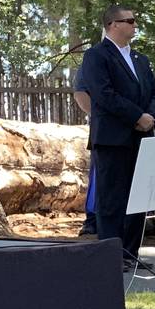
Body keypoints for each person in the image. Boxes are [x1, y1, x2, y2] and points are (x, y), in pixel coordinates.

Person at [81, 4, 155, 272]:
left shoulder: (140, 59)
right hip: (113, 138)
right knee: (112, 198)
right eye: (130, 21)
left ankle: (131, 252)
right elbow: (103, 95)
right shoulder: (96, 55)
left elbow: (154, 92)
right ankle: (112, 254)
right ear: (112, 25)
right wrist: (136, 116)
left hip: (141, 137)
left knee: (138, 198)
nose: (135, 25)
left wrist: (149, 116)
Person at [73, 65, 98, 237]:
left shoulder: (135, 61)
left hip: (134, 130)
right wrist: (102, 116)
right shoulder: (93, 61)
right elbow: (80, 93)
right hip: (105, 132)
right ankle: (93, 219)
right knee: (98, 178)